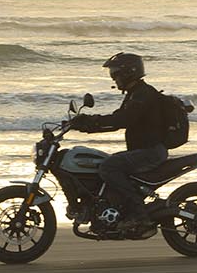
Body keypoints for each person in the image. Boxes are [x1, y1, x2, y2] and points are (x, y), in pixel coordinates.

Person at [69, 52, 168, 234]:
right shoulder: (135, 93)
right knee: (107, 162)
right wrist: (86, 125)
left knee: (108, 166)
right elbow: (117, 122)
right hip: (145, 150)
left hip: (151, 152)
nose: (113, 77)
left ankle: (140, 217)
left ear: (129, 72)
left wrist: (90, 122)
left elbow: (121, 119)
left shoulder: (142, 95)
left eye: (115, 73)